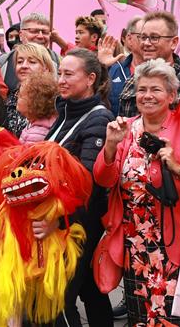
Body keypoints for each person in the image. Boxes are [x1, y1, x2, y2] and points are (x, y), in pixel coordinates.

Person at [94, 59, 180, 325]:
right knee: (140, 317)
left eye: (155, 89)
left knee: (173, 317)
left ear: (171, 95)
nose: (147, 96)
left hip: (175, 240)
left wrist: (177, 167)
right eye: (141, 89)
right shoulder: (126, 128)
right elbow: (103, 179)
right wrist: (111, 147)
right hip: (135, 243)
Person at [42, 48, 114, 326]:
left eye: (68, 74)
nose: (61, 80)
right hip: (68, 223)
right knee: (91, 292)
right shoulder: (66, 111)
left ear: (90, 79)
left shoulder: (98, 118)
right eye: (60, 73)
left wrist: (55, 218)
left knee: (60, 302)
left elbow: (86, 183)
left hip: (79, 225)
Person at [117, 11, 180, 119]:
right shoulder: (131, 81)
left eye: (154, 38)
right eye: (143, 37)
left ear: (173, 42)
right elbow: (123, 127)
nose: (146, 43)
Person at [0, 13, 61, 94]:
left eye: (45, 32)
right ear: (20, 35)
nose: (40, 36)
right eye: (34, 31)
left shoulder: (59, 62)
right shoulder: (2, 62)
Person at [3, 42, 57, 136]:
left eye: (32, 62)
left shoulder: (52, 98)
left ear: (46, 68)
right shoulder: (10, 95)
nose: (24, 66)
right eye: (19, 62)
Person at [104, 16, 144, 117]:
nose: (148, 42)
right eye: (143, 36)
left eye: (154, 37)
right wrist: (102, 67)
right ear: (129, 39)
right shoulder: (115, 70)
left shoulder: (164, 73)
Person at [17, 71, 59, 144]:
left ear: (34, 103)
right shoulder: (34, 124)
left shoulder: (36, 135)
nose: (17, 97)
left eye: (20, 96)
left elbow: (25, 154)